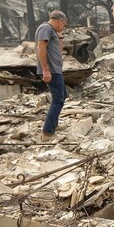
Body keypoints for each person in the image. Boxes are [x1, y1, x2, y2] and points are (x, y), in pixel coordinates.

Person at [35, 10, 67, 140]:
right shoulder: (45, 28)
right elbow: (41, 47)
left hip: (56, 69)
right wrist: (45, 70)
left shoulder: (52, 31)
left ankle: (53, 124)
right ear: (59, 21)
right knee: (58, 99)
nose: (63, 27)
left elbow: (59, 50)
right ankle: (47, 132)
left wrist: (60, 36)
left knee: (63, 95)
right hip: (51, 70)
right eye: (63, 25)